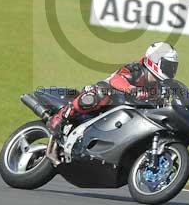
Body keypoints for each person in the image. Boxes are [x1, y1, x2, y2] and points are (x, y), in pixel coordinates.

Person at [46, 42, 179, 148]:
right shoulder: (137, 69)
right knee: (100, 94)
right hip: (113, 98)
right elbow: (116, 80)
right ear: (154, 61)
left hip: (129, 118)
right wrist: (131, 89)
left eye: (173, 67)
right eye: (168, 66)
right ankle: (62, 116)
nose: (171, 70)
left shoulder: (161, 87)